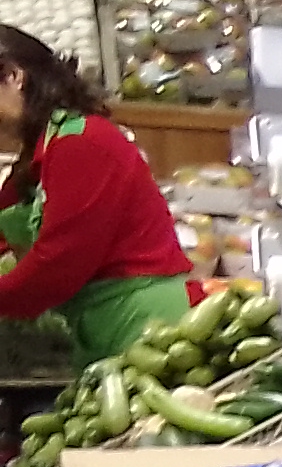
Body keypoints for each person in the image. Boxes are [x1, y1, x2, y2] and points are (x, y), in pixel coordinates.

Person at [0, 24, 191, 359]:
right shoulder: (40, 153)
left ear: (14, 76)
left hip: (146, 326)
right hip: (103, 326)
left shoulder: (82, 143)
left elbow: (57, 266)